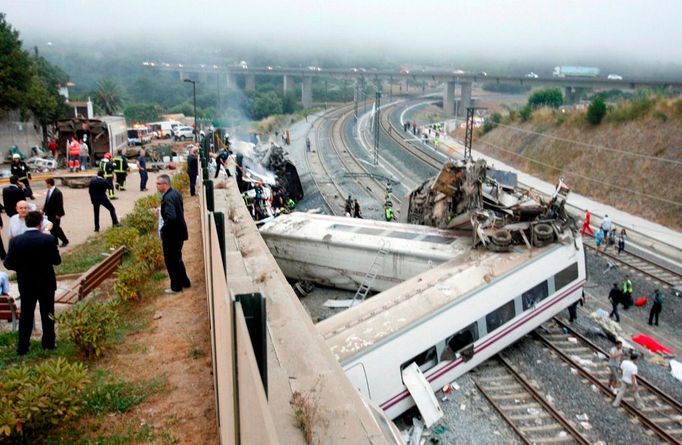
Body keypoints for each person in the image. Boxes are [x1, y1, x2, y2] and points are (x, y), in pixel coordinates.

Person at [4, 210, 61, 355]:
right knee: (47, 313)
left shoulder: (16, 241)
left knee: (26, 314)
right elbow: (57, 261)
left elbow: (8, 263)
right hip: (46, 282)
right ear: (40, 223)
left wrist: (21, 269)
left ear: (26, 223)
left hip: (26, 283)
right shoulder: (47, 239)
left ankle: (23, 346)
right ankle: (48, 343)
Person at [156, 174, 190, 294]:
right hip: (179, 232)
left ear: (165, 184)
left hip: (171, 235)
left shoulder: (167, 198)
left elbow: (171, 217)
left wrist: (164, 229)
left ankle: (176, 286)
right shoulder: (175, 193)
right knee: (177, 258)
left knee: (171, 261)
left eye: (158, 184)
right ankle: (185, 281)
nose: (157, 186)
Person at [43, 178, 69, 247]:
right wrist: (44, 210)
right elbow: (47, 202)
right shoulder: (49, 191)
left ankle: (65, 241)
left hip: (55, 214)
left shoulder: (57, 192)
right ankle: (55, 241)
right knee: (52, 228)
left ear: (49, 184)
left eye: (46, 183)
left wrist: (58, 214)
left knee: (56, 228)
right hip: (49, 213)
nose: (45, 185)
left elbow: (59, 204)